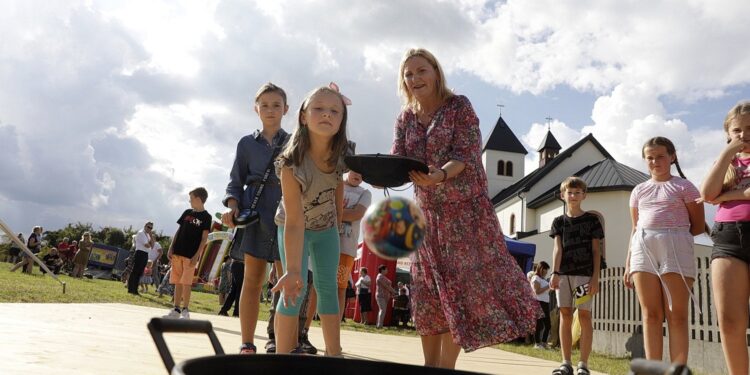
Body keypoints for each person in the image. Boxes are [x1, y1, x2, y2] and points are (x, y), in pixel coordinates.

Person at [391, 48, 541, 368]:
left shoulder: (458, 106)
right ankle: (429, 367)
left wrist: (440, 175)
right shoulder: (405, 118)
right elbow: (398, 161)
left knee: (459, 293)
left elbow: (467, 153)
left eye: (421, 71)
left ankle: (446, 367)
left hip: (466, 213)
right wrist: (368, 173)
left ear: (435, 72)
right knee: (427, 295)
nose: (415, 78)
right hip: (427, 216)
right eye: (408, 74)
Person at [271, 84, 350, 356]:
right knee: (294, 289)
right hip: (293, 227)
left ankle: (334, 353)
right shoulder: (291, 163)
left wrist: (337, 221)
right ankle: (281, 358)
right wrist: (293, 270)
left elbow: (339, 186)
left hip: (325, 227)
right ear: (303, 116)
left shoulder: (341, 155)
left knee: (328, 289)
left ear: (342, 121)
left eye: (334, 111)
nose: (326, 115)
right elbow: (294, 221)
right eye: (318, 109)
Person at [221, 82, 291, 354]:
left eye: (276, 105)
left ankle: (279, 339)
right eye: (265, 105)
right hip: (256, 213)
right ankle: (247, 342)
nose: (270, 110)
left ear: (286, 109)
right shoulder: (246, 143)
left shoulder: (296, 141)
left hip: (287, 213)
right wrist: (232, 206)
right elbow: (235, 181)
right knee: (252, 280)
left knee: (286, 280)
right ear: (255, 109)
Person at [623, 137, 704, 366]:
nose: (654, 161)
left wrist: (670, 235)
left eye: (660, 156)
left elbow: (697, 226)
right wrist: (628, 263)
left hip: (675, 246)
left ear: (672, 157)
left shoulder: (685, 187)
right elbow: (635, 227)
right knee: (650, 315)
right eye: (649, 157)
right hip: (643, 247)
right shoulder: (638, 190)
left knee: (676, 315)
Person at [700, 101, 750, 374]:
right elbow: (707, 194)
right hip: (729, 237)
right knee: (730, 321)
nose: (744, 134)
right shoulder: (726, 163)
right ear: (728, 133)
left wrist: (728, 195)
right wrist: (727, 153)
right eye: (737, 130)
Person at [548, 177, 604, 375]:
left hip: (584, 276)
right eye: (569, 192)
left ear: (584, 195)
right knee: (564, 314)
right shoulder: (558, 222)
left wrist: (595, 277)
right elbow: (557, 249)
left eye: (577, 192)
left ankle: (584, 364)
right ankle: (565, 363)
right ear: (563, 195)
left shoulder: (592, 220)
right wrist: (554, 273)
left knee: (584, 315)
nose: (573, 196)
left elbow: (597, 251)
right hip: (563, 276)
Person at [163, 187, 212, 319]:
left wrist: (197, 255)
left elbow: (204, 238)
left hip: (190, 255)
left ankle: (185, 310)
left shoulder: (207, 217)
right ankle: (176, 309)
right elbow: (178, 231)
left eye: (191, 199)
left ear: (198, 199)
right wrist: (171, 247)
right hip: (178, 252)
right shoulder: (187, 212)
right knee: (177, 281)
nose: (189, 201)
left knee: (186, 283)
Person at [338, 171, 371, 322]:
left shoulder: (365, 193)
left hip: (346, 248)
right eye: (355, 170)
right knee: (315, 285)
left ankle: (335, 324)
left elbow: (357, 214)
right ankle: (305, 327)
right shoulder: (335, 183)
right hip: (324, 242)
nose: (359, 175)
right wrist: (346, 212)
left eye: (362, 172)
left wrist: (335, 211)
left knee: (340, 286)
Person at [128, 222, 155, 295]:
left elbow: (152, 245)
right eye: (148, 227)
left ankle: (135, 289)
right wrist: (150, 244)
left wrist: (151, 236)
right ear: (145, 226)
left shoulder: (148, 235)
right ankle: (131, 289)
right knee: (135, 271)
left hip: (145, 254)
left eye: (151, 228)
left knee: (139, 272)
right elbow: (147, 245)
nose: (149, 229)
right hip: (140, 253)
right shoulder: (141, 233)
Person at [530, 261, 551, 349]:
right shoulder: (536, 278)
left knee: (548, 325)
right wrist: (548, 286)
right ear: (541, 269)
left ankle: (543, 342)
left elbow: (546, 291)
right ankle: (537, 343)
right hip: (539, 303)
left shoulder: (542, 279)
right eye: (545, 269)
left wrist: (551, 287)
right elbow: (537, 291)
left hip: (545, 303)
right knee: (539, 324)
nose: (546, 272)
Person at [375, 264, 397, 328]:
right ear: (382, 270)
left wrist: (393, 292)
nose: (387, 270)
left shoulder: (383, 276)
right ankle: (379, 325)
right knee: (382, 310)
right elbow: (386, 286)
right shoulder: (380, 277)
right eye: (386, 269)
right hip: (380, 296)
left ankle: (379, 324)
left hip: (385, 296)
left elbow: (388, 286)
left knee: (382, 310)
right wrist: (394, 292)